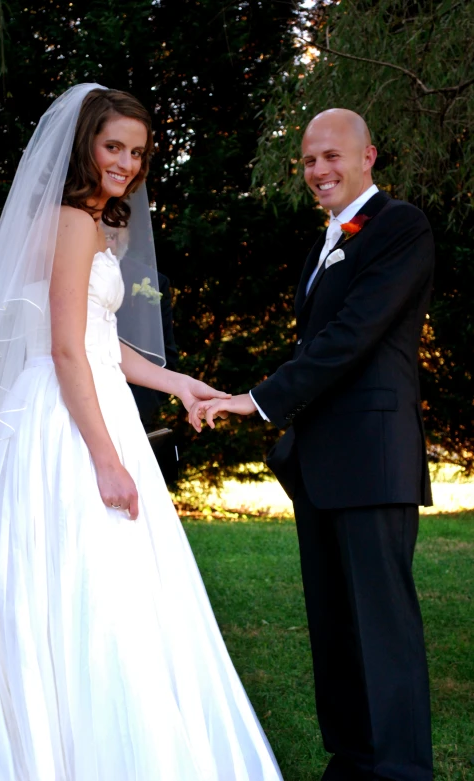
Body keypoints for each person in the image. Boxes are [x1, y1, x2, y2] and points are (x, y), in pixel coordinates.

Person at [0, 84, 284, 781]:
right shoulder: (73, 221)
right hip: (71, 419)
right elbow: (67, 350)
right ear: (85, 145)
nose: (126, 163)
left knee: (102, 580)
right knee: (87, 575)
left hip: (93, 400)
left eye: (136, 151)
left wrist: (180, 383)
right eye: (113, 147)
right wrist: (105, 458)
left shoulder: (95, 222)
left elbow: (103, 341)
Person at [193, 109, 434, 781]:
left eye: (331, 157)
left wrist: (257, 397)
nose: (318, 171)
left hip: (372, 454)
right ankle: (353, 757)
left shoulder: (399, 226)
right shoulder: (322, 242)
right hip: (322, 460)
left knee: (383, 626)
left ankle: (400, 769)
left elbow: (352, 335)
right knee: (334, 624)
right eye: (307, 161)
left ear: (368, 156)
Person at [128, 270, 178, 431]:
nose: (112, 242)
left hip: (133, 411)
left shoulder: (153, 281)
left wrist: (138, 409)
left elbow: (165, 354)